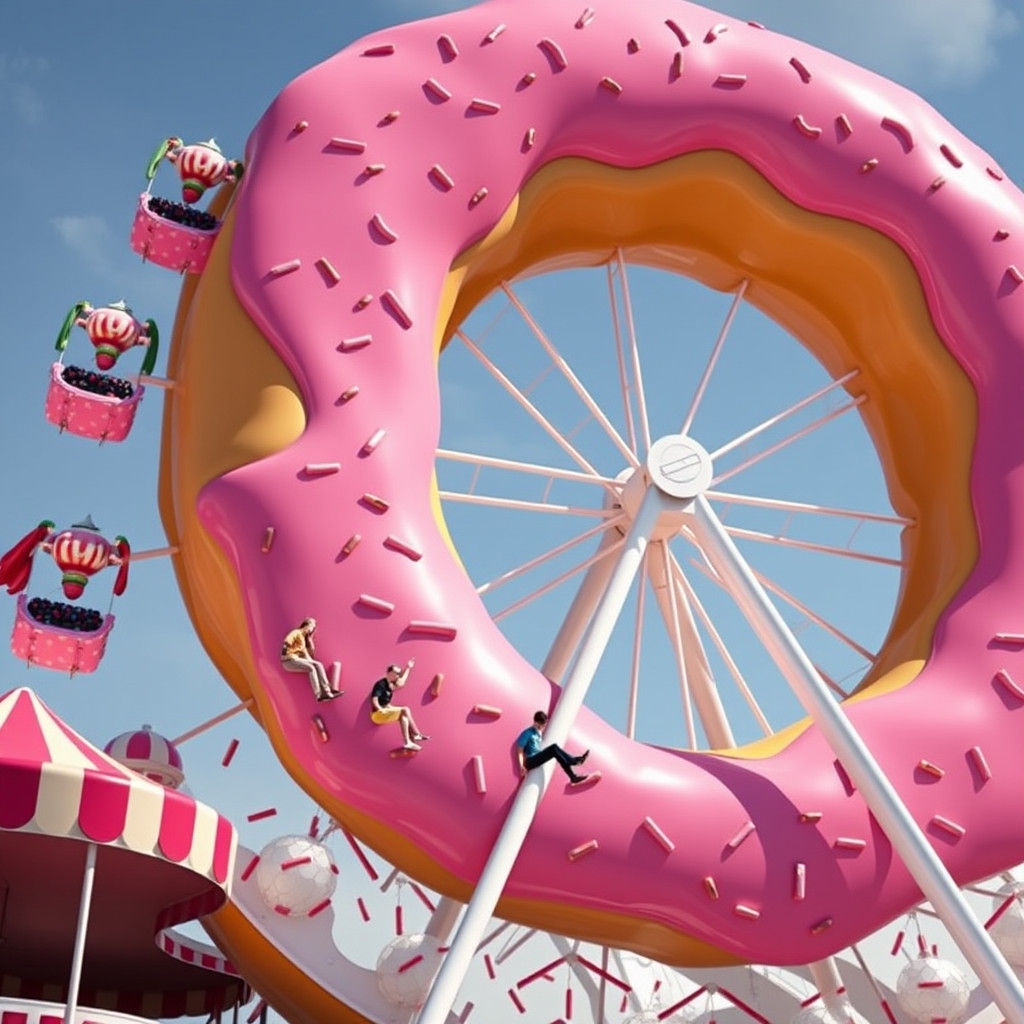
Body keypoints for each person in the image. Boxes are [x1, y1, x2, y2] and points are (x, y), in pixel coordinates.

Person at [370, 660, 429, 751]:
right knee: (404, 710)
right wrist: (380, 709)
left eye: (399, 673)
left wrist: (408, 668)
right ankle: (414, 736)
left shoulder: (391, 684)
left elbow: (402, 680)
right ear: (390, 673)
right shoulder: (380, 684)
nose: (398, 676)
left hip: (386, 709)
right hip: (377, 714)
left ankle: (411, 740)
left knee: (405, 711)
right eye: (397, 673)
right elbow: (374, 699)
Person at [516, 711, 590, 784]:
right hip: (530, 761)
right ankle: (574, 761)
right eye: (542, 725)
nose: (542, 727)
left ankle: (573, 775)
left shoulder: (538, 733)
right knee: (554, 748)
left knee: (557, 753)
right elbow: (520, 750)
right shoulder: (527, 733)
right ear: (536, 722)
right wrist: (521, 766)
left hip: (537, 757)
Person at [280, 617, 340, 702]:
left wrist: (315, 662)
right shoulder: (296, 632)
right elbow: (287, 642)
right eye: (312, 626)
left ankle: (327, 691)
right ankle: (318, 694)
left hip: (295, 659)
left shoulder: (303, 640)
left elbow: (307, 657)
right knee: (311, 668)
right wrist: (284, 655)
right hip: (289, 660)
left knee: (318, 664)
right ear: (307, 625)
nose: (312, 629)